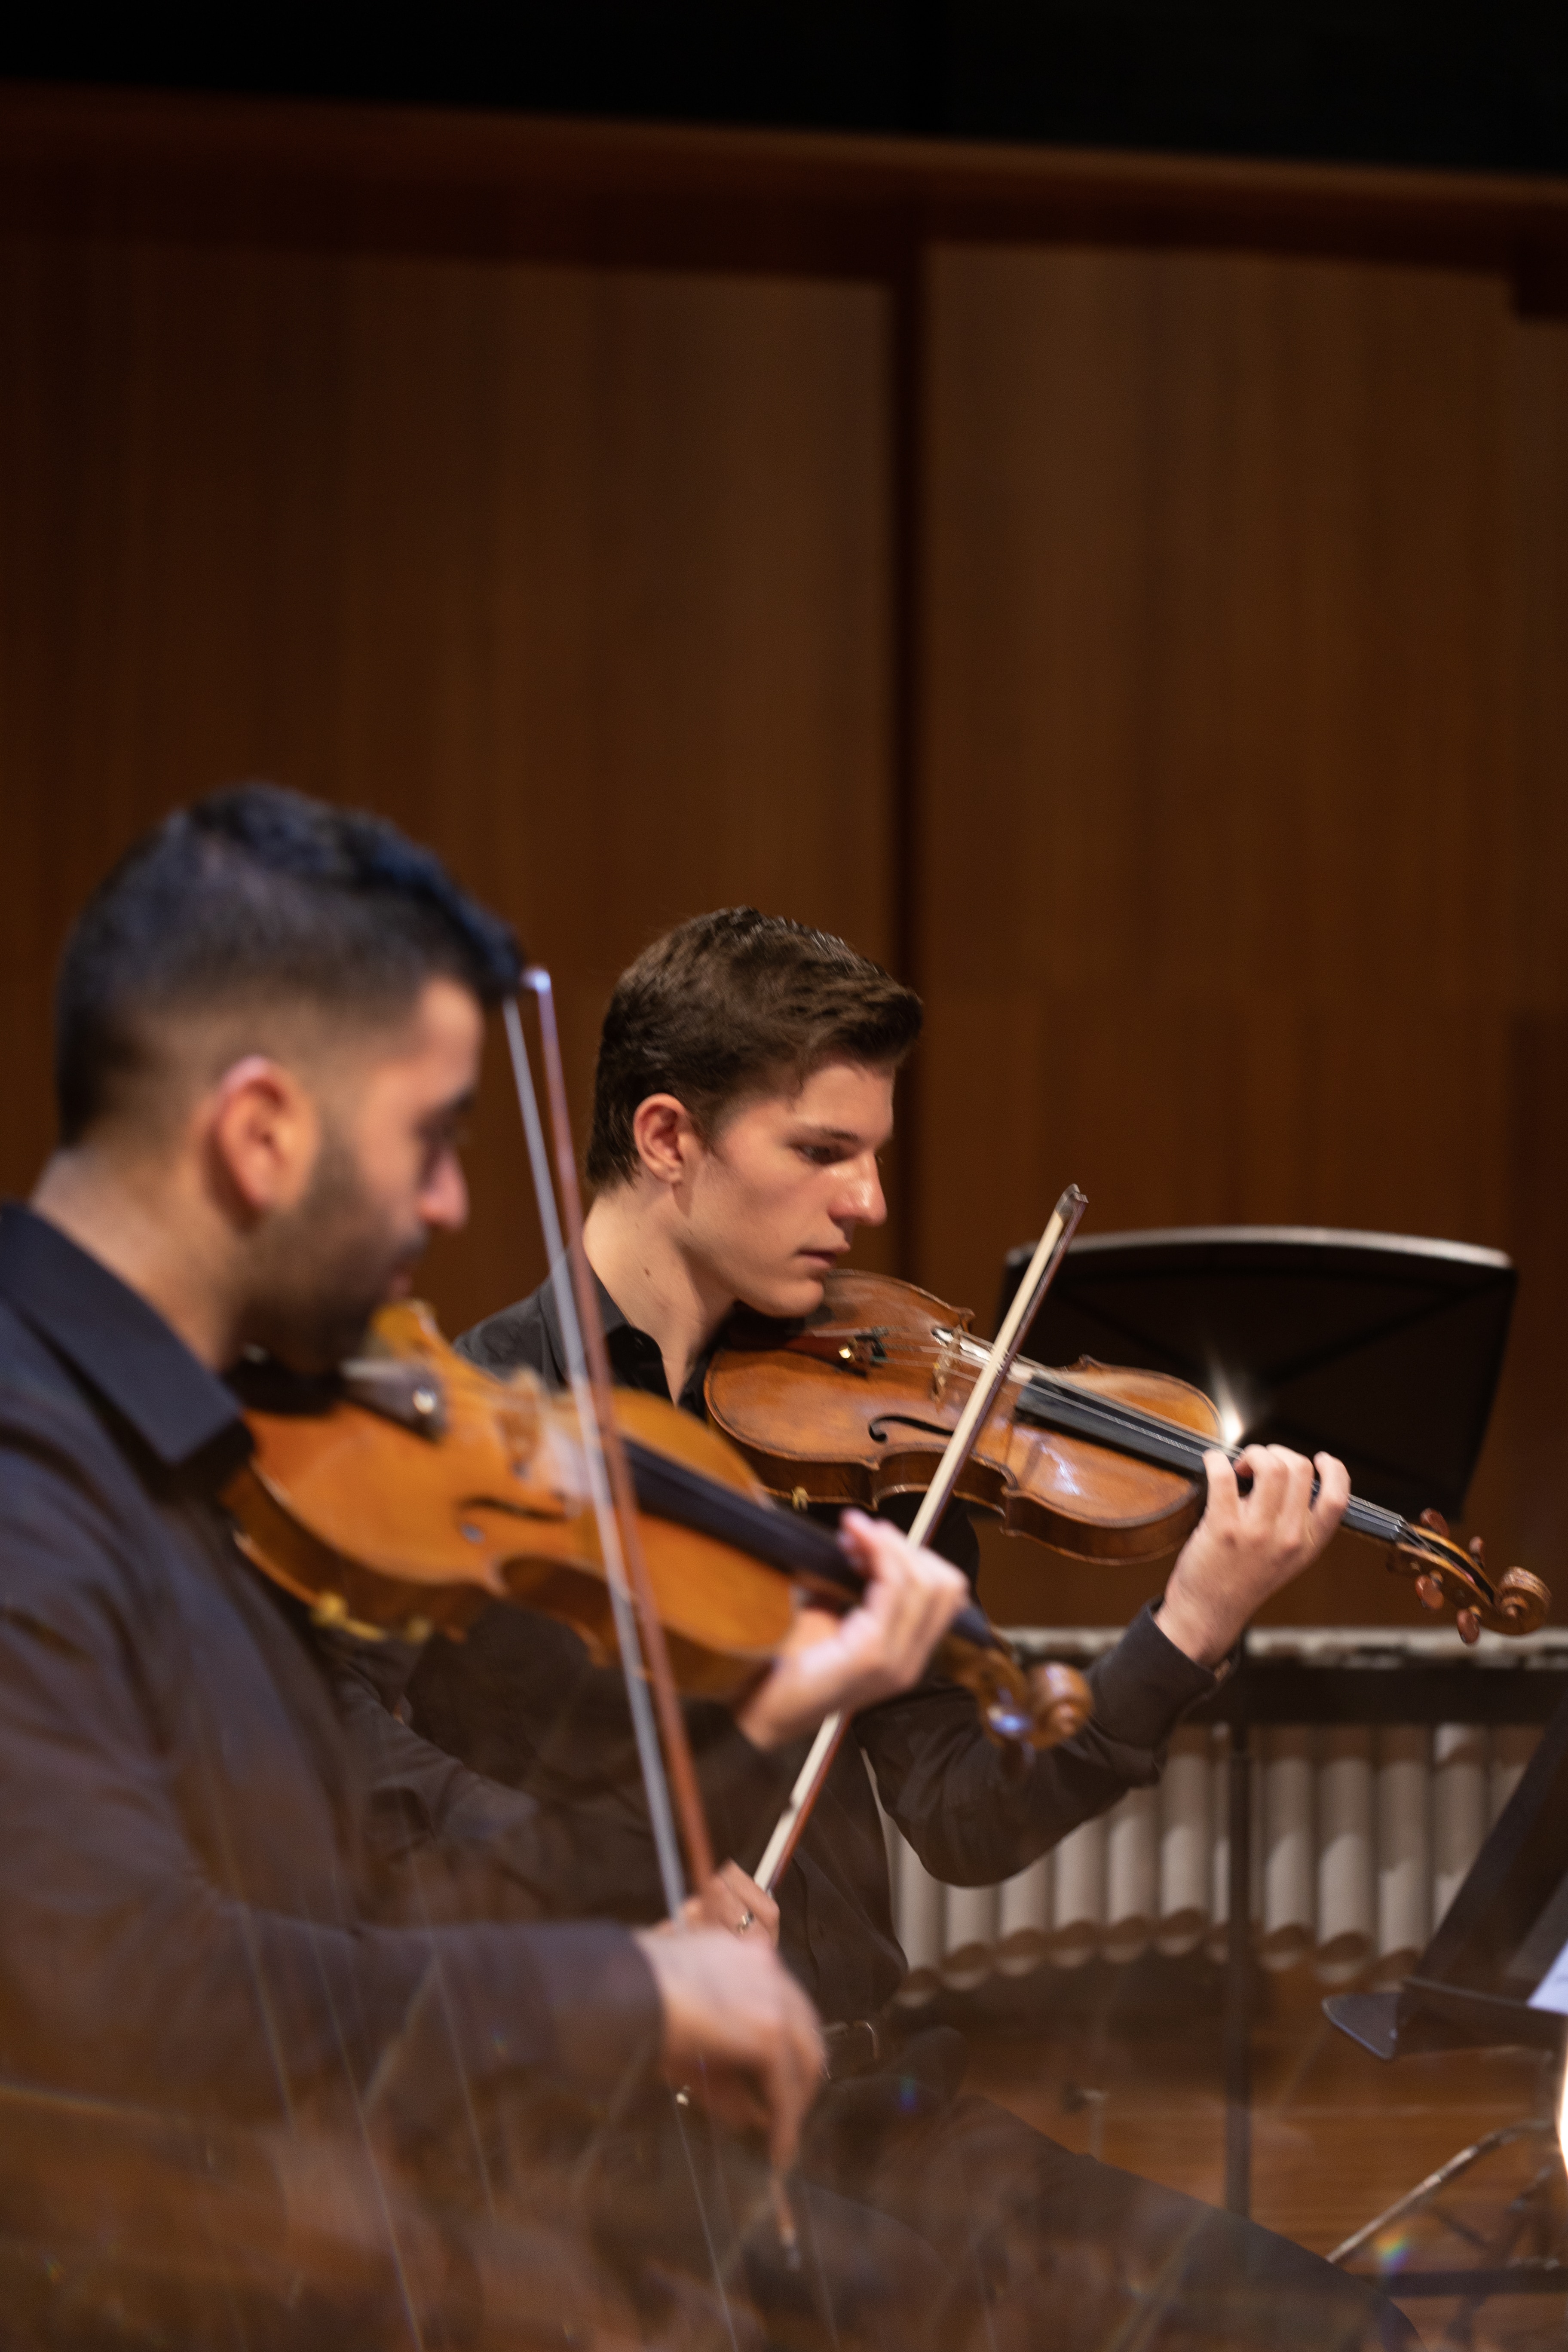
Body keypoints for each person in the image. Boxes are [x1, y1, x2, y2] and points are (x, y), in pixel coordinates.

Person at [0, 800, 981, 2350]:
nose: (456, 1203)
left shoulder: (201, 1453)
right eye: (428, 1139)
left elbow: (366, 1896)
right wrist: (626, 2000)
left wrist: (740, 1739)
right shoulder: (34, 1468)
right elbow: (137, 1989)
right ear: (261, 1132)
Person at [407, 907, 1418, 2351]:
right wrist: (613, 1904)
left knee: (1326, 2331)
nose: (871, 1201)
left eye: (872, 1152)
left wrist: (1190, 1618)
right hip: (606, 2145)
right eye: (824, 1152)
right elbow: (351, 1777)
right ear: (670, 1139)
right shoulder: (471, 1433)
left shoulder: (871, 1443)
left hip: (869, 2113)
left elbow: (962, 1817)